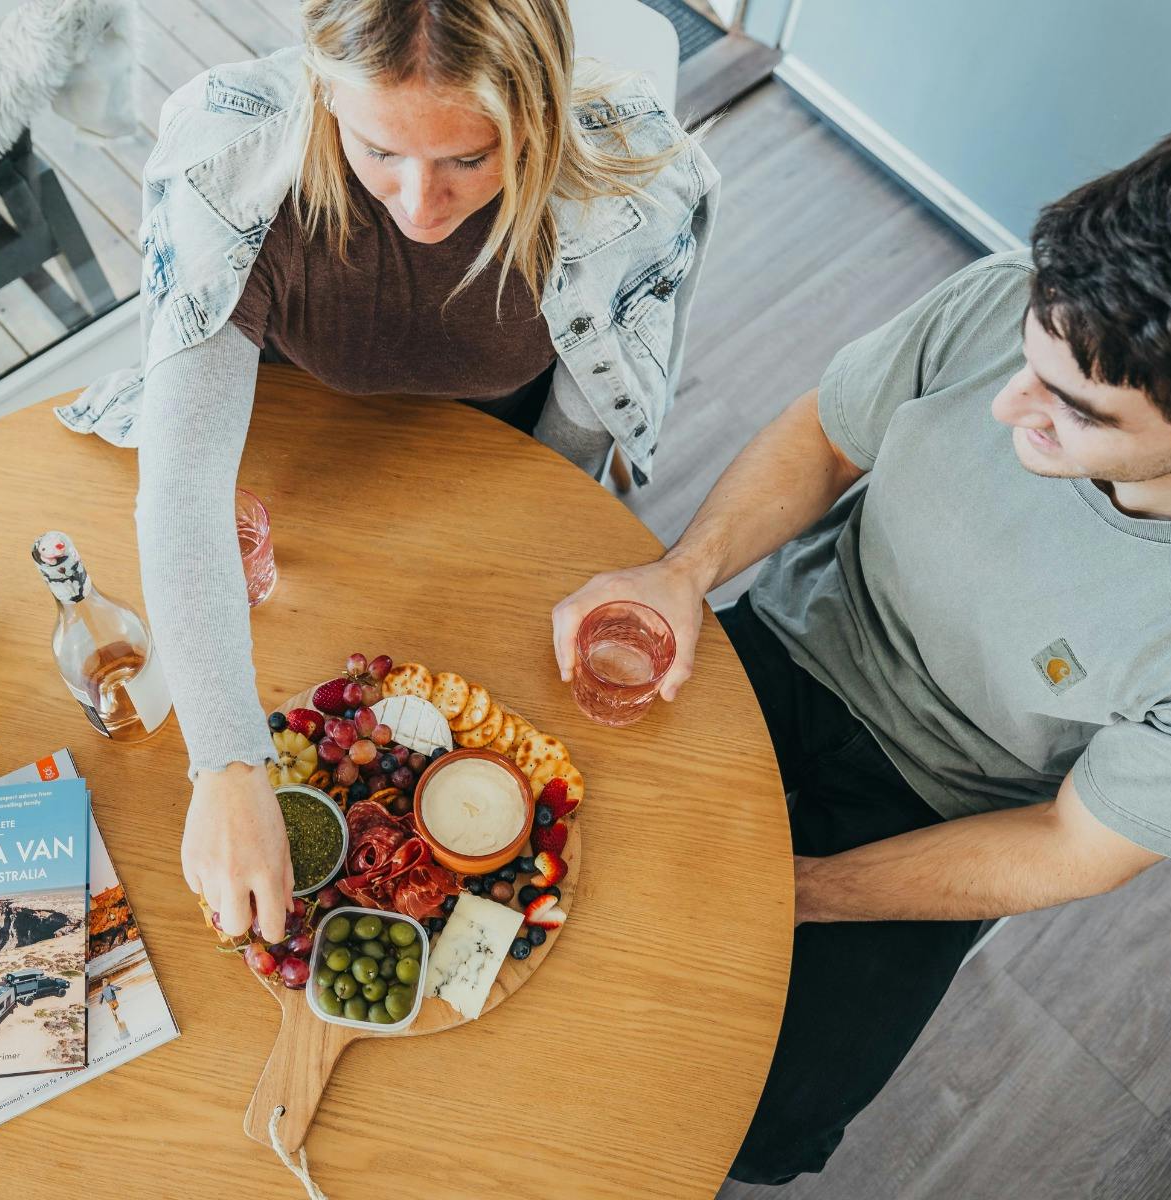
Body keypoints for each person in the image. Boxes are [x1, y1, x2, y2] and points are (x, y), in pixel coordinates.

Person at [551, 122, 1171, 1183]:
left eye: (1072, 411)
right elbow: (827, 434)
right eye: (1028, 356)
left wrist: (797, 891)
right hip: (796, 637)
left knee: (756, 1115)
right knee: (539, 832)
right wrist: (683, 571)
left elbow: (1069, 845)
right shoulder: (1001, 297)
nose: (1006, 405)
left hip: (953, 804)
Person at [58, 0, 718, 943]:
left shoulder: (631, 185)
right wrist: (228, 767)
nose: (418, 204)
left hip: (493, 463)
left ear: (538, 113)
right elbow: (183, 489)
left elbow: (574, 447)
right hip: (288, 464)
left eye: (468, 159)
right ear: (325, 90)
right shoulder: (230, 163)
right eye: (378, 151)